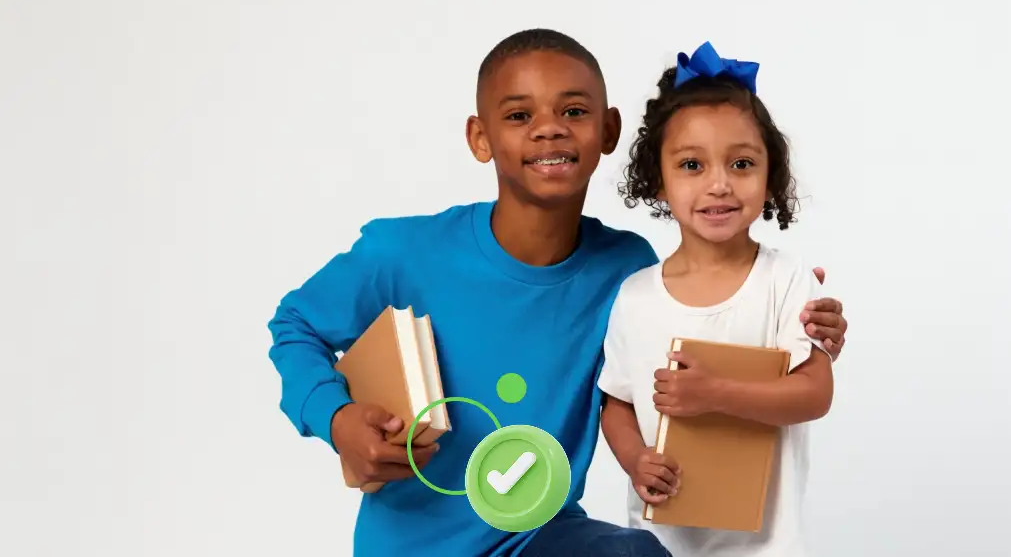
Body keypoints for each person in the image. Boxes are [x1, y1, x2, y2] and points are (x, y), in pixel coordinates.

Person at [266, 30, 850, 557]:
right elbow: (296, 325)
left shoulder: (627, 272)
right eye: (519, 115)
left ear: (609, 132)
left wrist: (796, 320)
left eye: (574, 110)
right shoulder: (404, 252)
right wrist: (337, 418)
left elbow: (691, 344)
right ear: (480, 137)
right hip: (412, 545)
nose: (549, 128)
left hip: (543, 538)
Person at [597, 41, 833, 556]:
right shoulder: (636, 297)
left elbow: (814, 393)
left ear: (769, 176)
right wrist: (637, 459)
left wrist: (715, 396)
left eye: (742, 163)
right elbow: (616, 402)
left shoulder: (786, 279)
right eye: (692, 166)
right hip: (660, 543)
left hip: (768, 545)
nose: (720, 184)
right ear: (658, 182)